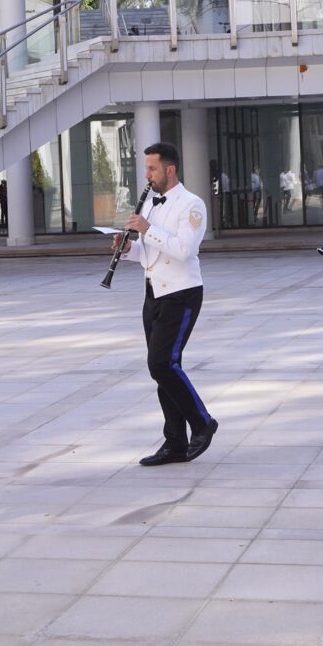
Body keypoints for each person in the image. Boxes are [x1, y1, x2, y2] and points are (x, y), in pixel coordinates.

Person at [110, 142, 217, 466]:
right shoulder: (150, 206)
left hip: (182, 292)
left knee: (162, 364)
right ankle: (174, 443)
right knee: (164, 370)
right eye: (146, 168)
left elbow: (184, 250)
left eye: (152, 168)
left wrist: (147, 229)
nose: (147, 174)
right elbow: (149, 253)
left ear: (170, 169)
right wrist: (126, 249)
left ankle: (202, 422)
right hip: (153, 291)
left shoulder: (192, 204)